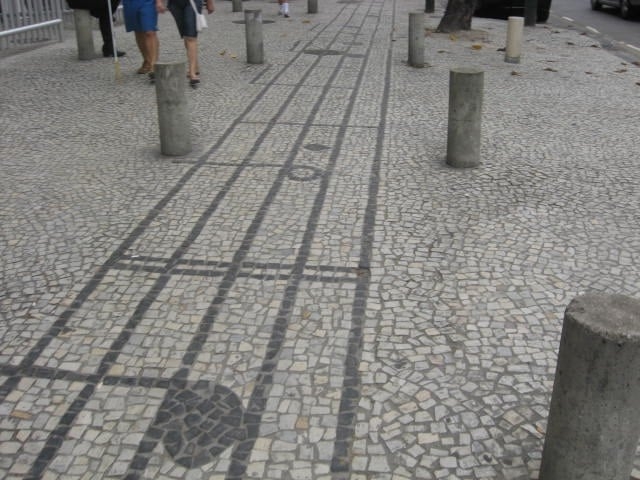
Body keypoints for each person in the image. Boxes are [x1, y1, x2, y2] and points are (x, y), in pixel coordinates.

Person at [167, 0, 214, 87]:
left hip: (193, 2)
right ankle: (195, 66)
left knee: (190, 36)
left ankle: (192, 73)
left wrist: (209, 2)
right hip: (174, 3)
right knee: (186, 35)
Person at [122, 0, 165, 75]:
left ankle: (154, 65)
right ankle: (147, 60)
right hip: (130, 3)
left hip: (148, 2)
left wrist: (159, 1)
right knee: (138, 31)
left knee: (150, 32)